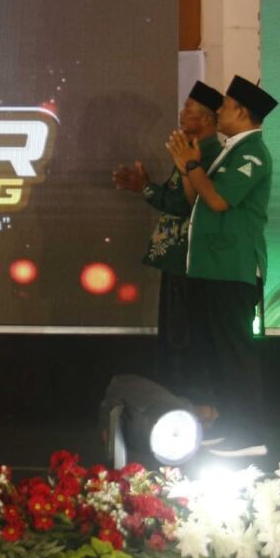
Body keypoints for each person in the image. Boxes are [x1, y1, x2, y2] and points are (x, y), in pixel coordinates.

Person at [165, 75, 278, 458]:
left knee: (234, 355)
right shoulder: (230, 150)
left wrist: (191, 163)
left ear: (242, 112)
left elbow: (218, 200)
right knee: (215, 354)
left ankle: (249, 435)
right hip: (209, 269)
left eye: (226, 106)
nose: (220, 112)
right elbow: (196, 196)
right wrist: (186, 167)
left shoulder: (252, 153)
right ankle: (230, 427)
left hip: (233, 269)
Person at [113, 82, 223, 404]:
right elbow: (177, 197)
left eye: (189, 108)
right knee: (175, 336)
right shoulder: (190, 150)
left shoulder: (209, 155)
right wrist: (145, 186)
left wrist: (147, 189)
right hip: (179, 261)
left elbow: (187, 204)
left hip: (190, 261)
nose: (181, 113)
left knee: (184, 337)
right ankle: (177, 401)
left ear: (207, 118)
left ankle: (188, 402)